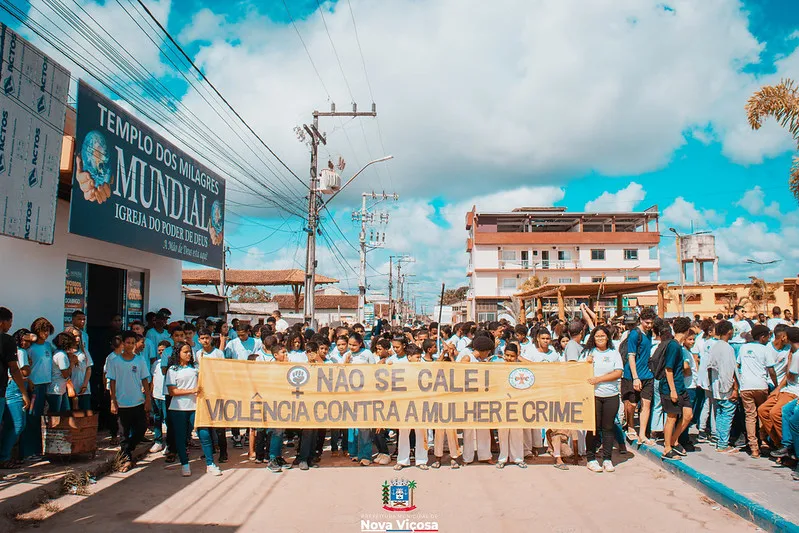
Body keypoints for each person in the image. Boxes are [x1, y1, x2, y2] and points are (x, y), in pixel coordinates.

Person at [165, 341, 221, 477]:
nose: (189, 354)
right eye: (185, 352)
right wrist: (192, 390)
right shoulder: (172, 370)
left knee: (205, 434)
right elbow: (172, 391)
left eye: (189, 351)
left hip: (197, 406)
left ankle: (210, 464)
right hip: (178, 408)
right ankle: (185, 464)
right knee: (180, 437)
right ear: (178, 353)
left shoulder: (196, 367)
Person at [107, 331, 151, 472]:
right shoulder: (115, 361)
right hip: (122, 403)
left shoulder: (139, 360)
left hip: (137, 401)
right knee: (123, 432)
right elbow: (112, 383)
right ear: (122, 343)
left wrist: (148, 399)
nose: (130, 345)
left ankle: (128, 449)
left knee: (141, 428)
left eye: (133, 343)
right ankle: (126, 458)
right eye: (128, 342)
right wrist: (113, 401)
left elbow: (145, 380)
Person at [583, 326, 624, 473]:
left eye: (603, 336)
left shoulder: (614, 353)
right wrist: (586, 363)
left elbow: (618, 372)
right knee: (593, 428)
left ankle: (607, 459)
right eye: (597, 336)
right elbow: (579, 371)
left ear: (608, 337)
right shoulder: (588, 353)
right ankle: (591, 458)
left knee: (608, 428)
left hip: (611, 395)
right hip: (593, 396)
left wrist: (599, 379)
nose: (600, 338)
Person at [389, 336, 428, 470]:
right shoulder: (399, 367)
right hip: (404, 403)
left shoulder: (423, 368)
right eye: (417, 357)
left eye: (419, 357)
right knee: (404, 432)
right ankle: (402, 460)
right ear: (409, 356)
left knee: (420, 432)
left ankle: (421, 459)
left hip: (419, 403)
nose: (419, 360)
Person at [737, 325, 777, 457]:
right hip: (761, 386)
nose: (768, 339)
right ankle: (763, 441)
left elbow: (737, 366)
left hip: (746, 387)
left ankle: (753, 447)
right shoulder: (765, 349)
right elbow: (771, 370)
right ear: (762, 337)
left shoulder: (743, 348)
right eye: (767, 337)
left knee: (750, 416)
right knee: (762, 414)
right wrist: (777, 385)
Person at [659, 318, 693, 461]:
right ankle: (667, 448)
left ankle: (673, 440)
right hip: (671, 387)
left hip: (680, 387)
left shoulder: (678, 345)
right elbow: (668, 369)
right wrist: (672, 390)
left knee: (688, 415)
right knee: (671, 418)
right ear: (686, 331)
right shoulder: (674, 346)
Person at [457, 335, 495, 464]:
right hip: (469, 398)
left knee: (483, 428)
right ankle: (467, 457)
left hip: (481, 398)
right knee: (468, 430)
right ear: (484, 350)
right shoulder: (467, 359)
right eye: (488, 352)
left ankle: (485, 455)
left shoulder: (480, 361)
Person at [22, 317, 55, 460]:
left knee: (40, 419)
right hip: (34, 386)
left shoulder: (48, 346)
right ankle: (27, 452)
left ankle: (37, 450)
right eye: (43, 330)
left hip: (46, 385)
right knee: (32, 418)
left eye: (47, 330)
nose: (46, 333)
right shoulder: (30, 348)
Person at [621, 308, 656, 444]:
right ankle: (630, 425)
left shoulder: (649, 334)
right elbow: (631, 356)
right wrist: (635, 377)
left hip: (647, 375)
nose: (649, 325)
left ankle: (642, 434)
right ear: (641, 320)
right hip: (632, 375)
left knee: (646, 404)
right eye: (647, 322)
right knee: (632, 404)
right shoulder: (635, 335)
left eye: (651, 323)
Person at [0, 328, 33, 467]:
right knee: (18, 424)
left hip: (9, 387)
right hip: (15, 388)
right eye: (25, 340)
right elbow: (21, 371)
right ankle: (4, 457)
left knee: (10, 424)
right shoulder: (21, 352)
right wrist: (24, 393)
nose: (27, 344)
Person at [707, 321, 739, 453]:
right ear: (729, 331)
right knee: (727, 414)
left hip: (716, 386)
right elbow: (729, 371)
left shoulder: (714, 346)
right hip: (725, 388)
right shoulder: (727, 348)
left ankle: (721, 441)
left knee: (720, 414)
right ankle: (723, 444)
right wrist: (734, 389)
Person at [495, 342, 526, 469]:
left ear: (517, 356)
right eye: (507, 355)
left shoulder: (521, 370)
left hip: (517, 402)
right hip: (502, 403)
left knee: (517, 431)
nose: (509, 358)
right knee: (503, 432)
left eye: (512, 356)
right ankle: (503, 458)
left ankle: (517, 458)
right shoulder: (499, 368)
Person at [66, 326, 93, 411]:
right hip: (69, 390)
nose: (77, 339)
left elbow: (88, 368)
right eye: (75, 336)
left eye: (79, 336)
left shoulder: (84, 351)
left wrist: (85, 384)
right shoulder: (64, 352)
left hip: (84, 389)